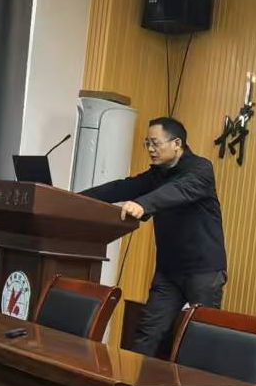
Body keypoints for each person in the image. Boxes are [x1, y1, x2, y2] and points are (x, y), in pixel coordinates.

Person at [82, 116, 227, 358]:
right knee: (148, 333)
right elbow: (121, 187)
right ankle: (132, 382)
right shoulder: (157, 174)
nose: (150, 149)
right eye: (147, 144)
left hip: (204, 271)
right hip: (169, 271)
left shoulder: (201, 169)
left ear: (177, 144)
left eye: (155, 143)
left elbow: (177, 191)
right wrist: (77, 197)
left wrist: (143, 204)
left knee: (201, 339)